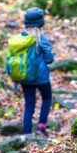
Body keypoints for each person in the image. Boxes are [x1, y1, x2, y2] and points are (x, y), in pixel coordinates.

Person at [20, 7, 54, 136]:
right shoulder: (42, 38)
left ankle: (27, 133)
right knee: (47, 98)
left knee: (29, 104)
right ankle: (41, 127)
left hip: (26, 77)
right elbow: (49, 59)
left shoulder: (21, 38)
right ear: (41, 22)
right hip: (41, 77)